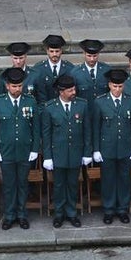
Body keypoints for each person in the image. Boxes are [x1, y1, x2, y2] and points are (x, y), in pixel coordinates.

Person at [0, 67, 40, 230]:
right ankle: (10, 215)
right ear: (7, 86)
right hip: (6, 151)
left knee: (23, 183)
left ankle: (22, 214)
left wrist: (34, 149)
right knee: (9, 184)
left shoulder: (30, 101)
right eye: (14, 86)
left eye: (19, 86)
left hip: (25, 150)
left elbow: (36, 128)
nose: (17, 89)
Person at [41, 75, 92, 228]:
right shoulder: (50, 108)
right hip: (58, 154)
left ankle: (71, 212)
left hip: (76, 153)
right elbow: (46, 134)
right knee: (58, 185)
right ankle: (59, 213)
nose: (73, 92)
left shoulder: (82, 105)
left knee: (72, 184)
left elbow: (87, 131)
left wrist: (87, 152)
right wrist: (47, 156)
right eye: (70, 90)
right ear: (61, 92)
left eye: (74, 89)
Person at [92, 68, 131, 224]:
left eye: (120, 86)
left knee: (125, 179)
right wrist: (96, 149)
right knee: (108, 180)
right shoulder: (100, 101)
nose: (117, 89)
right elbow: (96, 127)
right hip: (107, 148)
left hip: (125, 147)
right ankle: (109, 209)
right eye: (114, 86)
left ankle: (123, 209)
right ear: (109, 85)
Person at [31, 34, 73, 102]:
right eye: (51, 51)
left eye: (57, 51)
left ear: (61, 51)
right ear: (47, 51)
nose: (54, 54)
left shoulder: (69, 68)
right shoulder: (38, 69)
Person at [73, 39, 112, 103]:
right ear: (84, 53)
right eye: (89, 56)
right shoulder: (76, 73)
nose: (92, 59)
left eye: (95, 56)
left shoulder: (107, 70)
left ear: (98, 54)